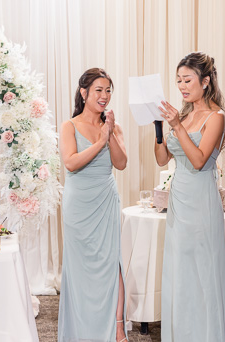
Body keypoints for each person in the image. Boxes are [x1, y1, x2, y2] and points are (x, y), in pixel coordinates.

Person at [154, 52, 225, 341]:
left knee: (203, 272)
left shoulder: (217, 117)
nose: (182, 87)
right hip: (179, 201)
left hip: (201, 202)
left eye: (187, 80)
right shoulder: (184, 115)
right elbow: (162, 159)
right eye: (178, 81)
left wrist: (176, 126)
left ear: (206, 80)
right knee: (180, 272)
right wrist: (160, 129)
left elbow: (199, 161)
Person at [58, 68, 128, 342]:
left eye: (108, 90)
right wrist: (99, 143)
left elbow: (121, 163)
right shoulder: (69, 126)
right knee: (81, 267)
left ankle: (117, 329)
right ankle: (81, 330)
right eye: (99, 90)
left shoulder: (113, 126)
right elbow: (71, 162)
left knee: (112, 262)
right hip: (79, 205)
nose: (104, 96)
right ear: (84, 92)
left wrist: (108, 134)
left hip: (105, 199)